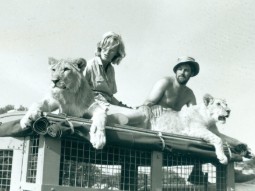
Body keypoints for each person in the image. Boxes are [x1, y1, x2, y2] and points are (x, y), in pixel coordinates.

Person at [84, 31, 129, 107]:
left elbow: (109, 96)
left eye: (112, 50)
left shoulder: (111, 70)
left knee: (129, 113)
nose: (107, 52)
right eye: (105, 48)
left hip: (107, 104)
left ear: (117, 54)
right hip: (91, 105)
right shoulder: (90, 65)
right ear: (100, 47)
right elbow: (77, 90)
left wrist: (122, 106)